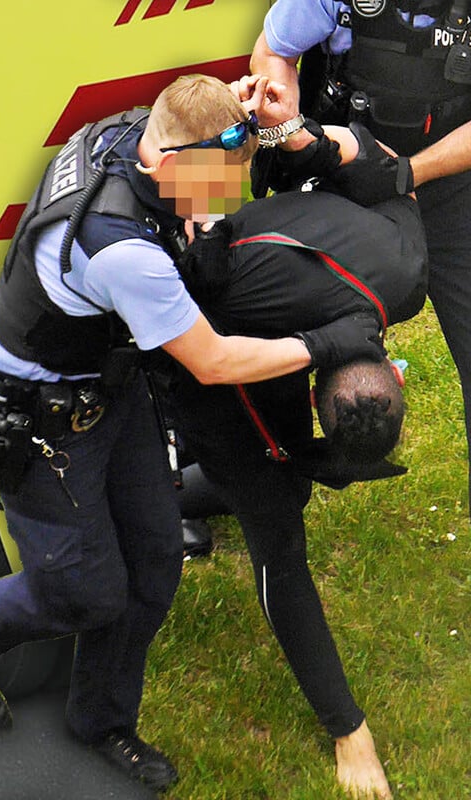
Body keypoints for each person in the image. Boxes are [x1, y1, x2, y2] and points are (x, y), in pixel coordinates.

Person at [0, 74, 386, 794]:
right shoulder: (122, 250)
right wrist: (325, 343)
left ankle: (99, 720)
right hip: (37, 420)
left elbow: (204, 120)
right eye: (215, 192)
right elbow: (215, 362)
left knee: (156, 561)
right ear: (173, 165)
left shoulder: (136, 129)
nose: (225, 208)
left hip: (104, 386)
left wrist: (244, 123)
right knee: (82, 594)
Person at [165, 106, 425, 797]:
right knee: (277, 526)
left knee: (290, 474)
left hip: (278, 314)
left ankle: (180, 495)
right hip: (216, 352)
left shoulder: (407, 277)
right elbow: (192, 314)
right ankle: (346, 727)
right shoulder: (245, 294)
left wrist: (309, 141)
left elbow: (385, 172)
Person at [251, 1, 471, 516]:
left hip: (450, 179)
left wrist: (407, 173)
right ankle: (252, 476)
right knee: (296, 341)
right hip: (339, 170)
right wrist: (294, 136)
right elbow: (272, 52)